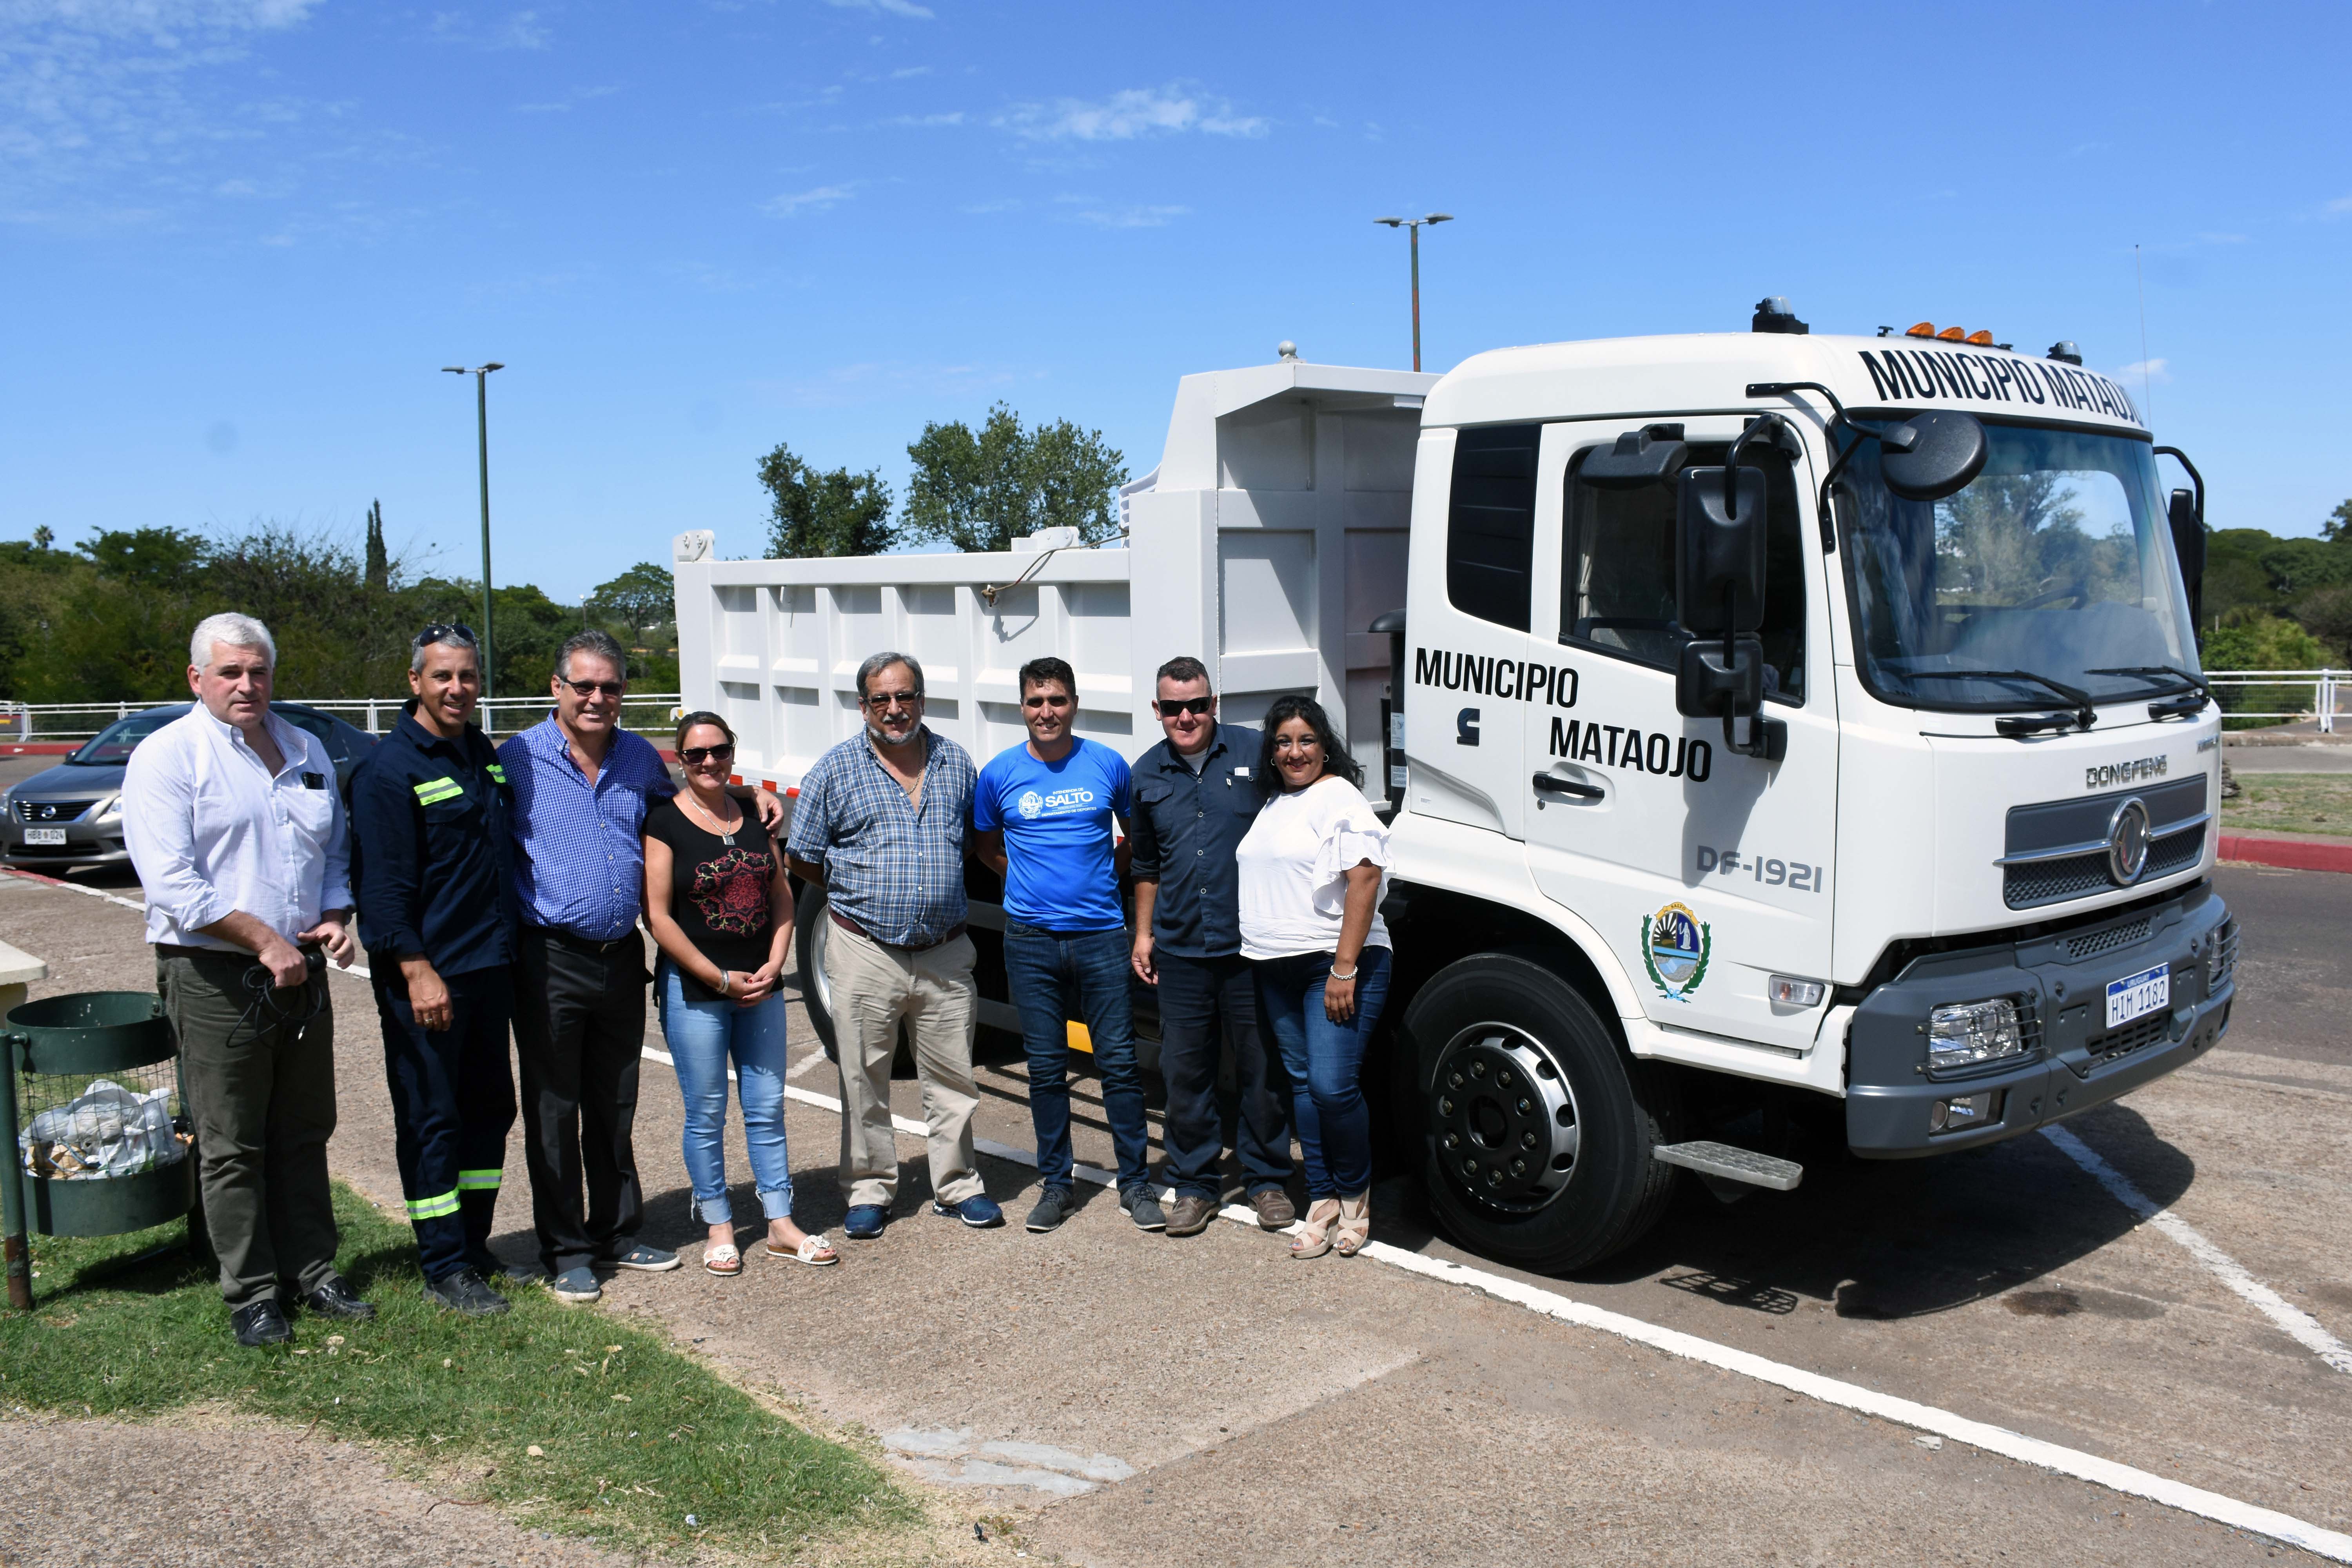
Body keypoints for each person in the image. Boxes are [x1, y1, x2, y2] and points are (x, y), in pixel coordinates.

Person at [499, 629, 784, 1304]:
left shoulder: (637, 758)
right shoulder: (518, 759)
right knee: (553, 1107)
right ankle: (567, 1249)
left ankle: (618, 1233)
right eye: (585, 686)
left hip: (622, 957)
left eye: (611, 687)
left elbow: (695, 799)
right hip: (549, 956)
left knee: (614, 1103)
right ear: (557, 689)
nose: (598, 698)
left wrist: (749, 800)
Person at [121, 613, 372, 1347]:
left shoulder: (305, 747)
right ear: (196, 678)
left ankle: (314, 1271)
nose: (247, 685)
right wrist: (263, 939)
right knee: (232, 1140)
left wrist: (333, 914)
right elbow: (172, 883)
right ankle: (252, 1292)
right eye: (230, 672)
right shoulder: (170, 756)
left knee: (304, 1128)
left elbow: (331, 849)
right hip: (214, 972)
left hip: (300, 965)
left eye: (258, 671)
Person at [786, 652, 998, 1241]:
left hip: (945, 952)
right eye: (881, 699)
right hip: (865, 950)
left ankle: (958, 1186)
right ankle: (870, 1189)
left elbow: (975, 842)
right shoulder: (836, 770)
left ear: (923, 699)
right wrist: (858, 892)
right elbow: (801, 856)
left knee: (954, 1078)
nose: (895, 709)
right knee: (863, 1077)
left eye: (905, 696)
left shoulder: (957, 763)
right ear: (864, 706)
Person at [346, 623, 520, 1317]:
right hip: (430, 978)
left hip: (490, 970)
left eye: (468, 677)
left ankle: (473, 1246)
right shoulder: (390, 771)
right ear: (414, 681)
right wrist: (417, 969)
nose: (457, 688)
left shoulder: (481, 754)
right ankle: (443, 1264)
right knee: (432, 1120)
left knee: (490, 1112)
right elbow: (382, 889)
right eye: (443, 676)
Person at [643, 711, 836, 1273]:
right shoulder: (664, 822)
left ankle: (779, 1223)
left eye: (720, 751)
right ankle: (719, 1226)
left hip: (761, 987)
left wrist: (776, 963)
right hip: (697, 990)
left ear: (732, 752)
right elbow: (658, 916)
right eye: (696, 754)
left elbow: (780, 895)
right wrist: (716, 977)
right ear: (681, 761)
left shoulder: (754, 812)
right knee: (706, 1113)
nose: (709, 762)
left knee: (766, 1108)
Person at [974, 655, 1159, 1236]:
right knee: (1048, 1070)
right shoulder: (999, 774)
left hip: (1101, 936)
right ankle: (1058, 1184)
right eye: (1035, 701)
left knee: (1121, 1066)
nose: (1046, 712)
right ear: (1022, 707)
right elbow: (984, 844)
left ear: (1074, 704)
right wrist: (1020, 880)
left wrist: (1106, 869)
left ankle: (1136, 1184)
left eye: (1056, 700)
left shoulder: (1108, 765)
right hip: (1030, 942)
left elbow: (1135, 838)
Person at [1127, 656, 1295, 1238]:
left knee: (1261, 1069)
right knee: (1186, 1072)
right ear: (1158, 711)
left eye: (1197, 704)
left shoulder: (1256, 753)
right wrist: (1144, 934)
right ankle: (1196, 1185)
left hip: (1252, 946)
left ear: (1214, 703)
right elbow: (1145, 864)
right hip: (1180, 949)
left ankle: (1267, 1179)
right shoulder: (1144, 773)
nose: (1187, 716)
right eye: (1173, 707)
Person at [1236, 695, 1393, 1260]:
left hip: (1333, 965)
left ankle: (1355, 1201)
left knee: (1331, 1086)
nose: (1295, 751)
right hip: (1275, 965)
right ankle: (1321, 1200)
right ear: (1271, 752)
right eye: (1283, 742)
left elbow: (1365, 878)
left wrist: (1344, 968)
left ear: (1325, 745)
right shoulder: (1275, 804)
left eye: (1306, 740)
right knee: (1303, 1084)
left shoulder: (1339, 798)